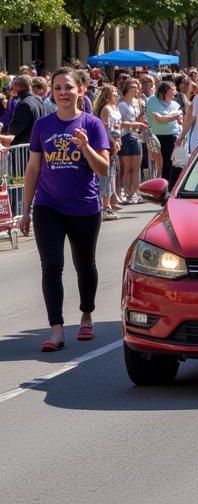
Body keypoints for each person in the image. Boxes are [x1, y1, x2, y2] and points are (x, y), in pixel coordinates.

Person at [18, 68, 110, 351]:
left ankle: (86, 315)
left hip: (84, 207)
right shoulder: (43, 126)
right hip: (49, 207)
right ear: (51, 92)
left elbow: (103, 169)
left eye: (68, 87)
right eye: (57, 88)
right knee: (52, 265)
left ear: (80, 89)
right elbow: (33, 169)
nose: (63, 93)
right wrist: (25, 210)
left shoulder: (92, 125)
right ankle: (56, 330)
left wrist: (86, 148)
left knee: (85, 265)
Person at [145, 80, 185, 184]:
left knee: (173, 162)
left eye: (174, 92)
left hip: (173, 136)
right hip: (158, 136)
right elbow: (160, 119)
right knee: (163, 164)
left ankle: (171, 186)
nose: (173, 94)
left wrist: (177, 116)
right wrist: (175, 116)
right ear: (163, 92)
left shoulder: (175, 104)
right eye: (171, 92)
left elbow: (180, 121)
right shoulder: (153, 101)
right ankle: (163, 186)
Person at [93, 83, 122, 220]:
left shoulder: (114, 107)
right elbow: (105, 129)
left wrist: (118, 140)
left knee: (111, 175)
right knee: (105, 176)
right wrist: (112, 142)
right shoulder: (105, 109)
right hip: (107, 144)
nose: (116, 94)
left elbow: (117, 127)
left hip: (115, 143)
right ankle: (104, 207)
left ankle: (107, 205)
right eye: (114, 91)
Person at [116, 79, 146, 203]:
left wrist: (141, 121)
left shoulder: (136, 103)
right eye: (132, 87)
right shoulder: (121, 104)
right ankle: (127, 193)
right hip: (125, 137)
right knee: (127, 168)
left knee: (136, 168)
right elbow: (120, 123)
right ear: (127, 89)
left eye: (136, 87)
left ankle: (136, 193)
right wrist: (136, 123)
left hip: (136, 136)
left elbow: (138, 119)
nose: (135, 89)